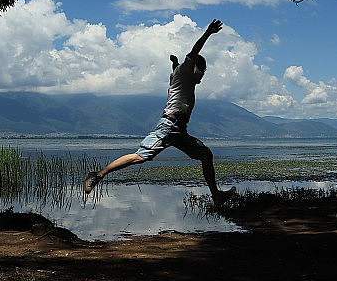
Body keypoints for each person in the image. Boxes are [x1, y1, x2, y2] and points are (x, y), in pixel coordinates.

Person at [83, 19, 236, 206]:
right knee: (139, 157)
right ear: (193, 66)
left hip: (180, 130)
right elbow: (194, 51)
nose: (202, 75)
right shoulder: (185, 71)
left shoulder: (182, 77)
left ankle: (217, 196)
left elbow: (175, 72)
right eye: (201, 70)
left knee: (206, 155)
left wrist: (174, 64)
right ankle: (97, 175)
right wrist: (208, 33)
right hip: (168, 126)